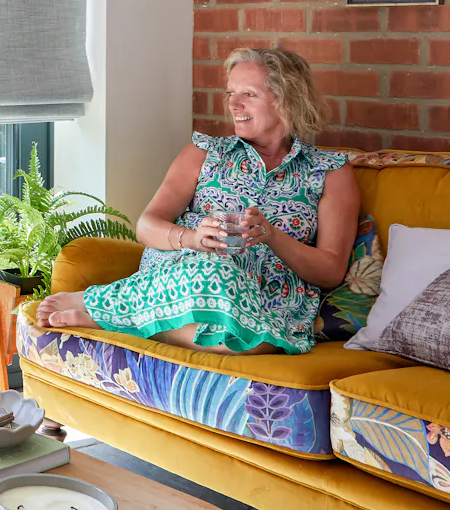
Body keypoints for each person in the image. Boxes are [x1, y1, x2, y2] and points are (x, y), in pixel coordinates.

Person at [36, 47, 359, 355]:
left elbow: (331, 271)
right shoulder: (205, 152)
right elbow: (147, 226)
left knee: (251, 342)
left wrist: (273, 237)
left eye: (249, 94)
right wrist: (193, 239)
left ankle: (112, 315)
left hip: (269, 299)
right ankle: (112, 306)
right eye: (231, 93)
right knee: (215, 269)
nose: (234, 104)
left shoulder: (330, 171)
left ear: (288, 100)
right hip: (189, 277)